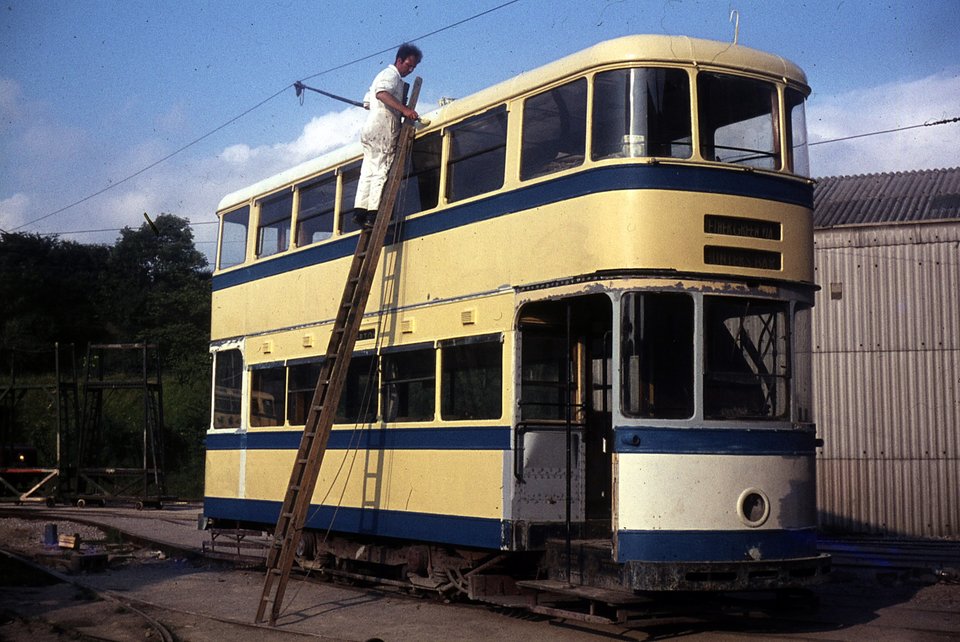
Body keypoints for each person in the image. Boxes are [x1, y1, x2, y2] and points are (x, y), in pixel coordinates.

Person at [353, 43, 422, 228]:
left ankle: (360, 210)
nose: (410, 69)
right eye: (409, 65)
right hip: (383, 128)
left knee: (368, 169)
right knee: (381, 170)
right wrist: (405, 110)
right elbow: (382, 94)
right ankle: (373, 214)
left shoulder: (380, 75)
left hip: (370, 127)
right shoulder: (392, 75)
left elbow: (368, 102)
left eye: (413, 67)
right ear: (399, 60)